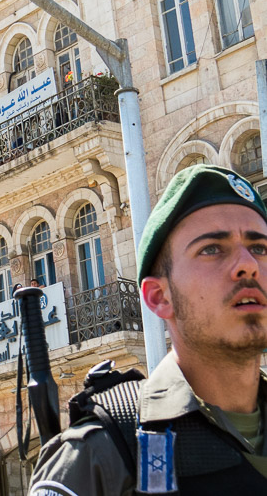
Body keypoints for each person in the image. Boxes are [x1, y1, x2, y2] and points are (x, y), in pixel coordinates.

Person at [30, 165, 267, 495]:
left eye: (260, 248)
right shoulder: (104, 452)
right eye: (212, 249)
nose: (249, 264)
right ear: (159, 297)